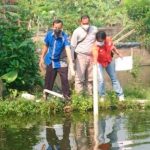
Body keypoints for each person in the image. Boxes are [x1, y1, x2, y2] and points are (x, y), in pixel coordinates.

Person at [39, 19, 75, 101]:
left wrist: (71, 64)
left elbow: (67, 49)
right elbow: (46, 46)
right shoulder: (49, 35)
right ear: (53, 27)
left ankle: (66, 97)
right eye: (55, 27)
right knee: (48, 79)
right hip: (50, 60)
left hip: (61, 60)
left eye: (59, 28)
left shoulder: (64, 37)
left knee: (65, 79)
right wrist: (41, 58)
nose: (57, 29)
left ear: (62, 28)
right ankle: (45, 96)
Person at [92, 31, 124, 101]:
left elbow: (113, 47)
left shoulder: (108, 40)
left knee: (114, 78)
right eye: (98, 41)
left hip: (109, 60)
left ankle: (120, 95)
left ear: (104, 39)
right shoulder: (95, 46)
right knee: (101, 80)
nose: (100, 42)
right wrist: (94, 61)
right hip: (99, 62)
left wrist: (119, 53)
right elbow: (95, 54)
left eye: (101, 41)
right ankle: (102, 96)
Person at [71, 15, 97, 95]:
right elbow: (73, 45)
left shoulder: (94, 29)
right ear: (80, 22)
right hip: (80, 56)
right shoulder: (77, 31)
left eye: (87, 22)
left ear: (89, 21)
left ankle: (90, 95)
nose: (86, 24)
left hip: (92, 56)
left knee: (90, 78)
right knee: (79, 77)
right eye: (84, 23)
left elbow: (96, 41)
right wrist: (72, 59)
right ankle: (79, 97)